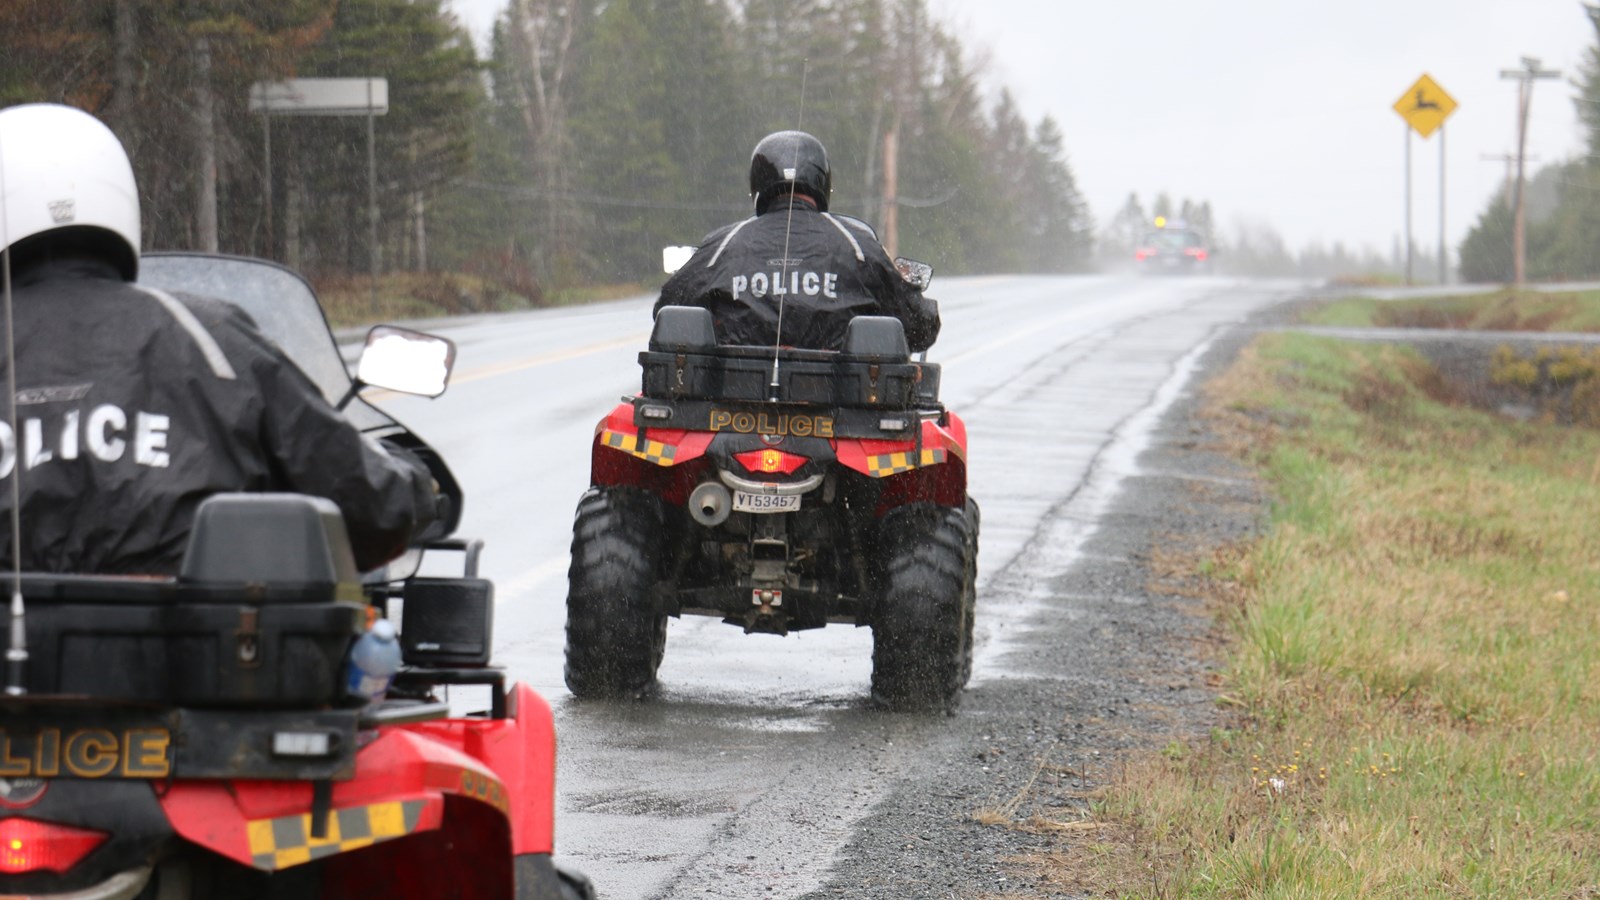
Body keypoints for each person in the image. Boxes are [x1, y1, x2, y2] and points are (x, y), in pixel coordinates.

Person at [0, 102, 437, 574]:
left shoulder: (210, 337)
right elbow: (375, 508)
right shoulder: (209, 338)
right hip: (192, 642)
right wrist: (412, 481)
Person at [654, 130, 940, 352]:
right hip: (843, 411)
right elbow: (920, 328)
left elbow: (665, 310)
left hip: (730, 408)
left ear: (757, 183)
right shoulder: (859, 248)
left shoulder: (723, 246)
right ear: (823, 181)